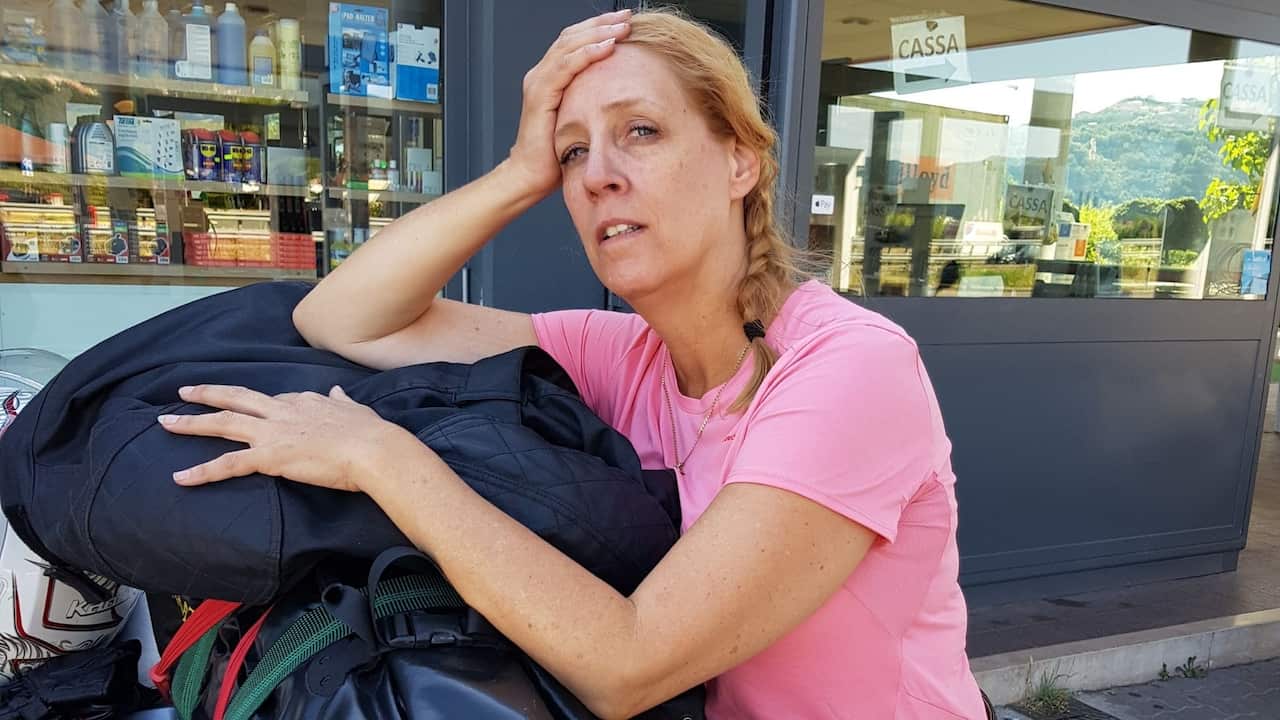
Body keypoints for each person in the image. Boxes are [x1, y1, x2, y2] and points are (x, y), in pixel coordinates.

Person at [157, 9, 989, 719]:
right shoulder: (619, 353)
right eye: (574, 153)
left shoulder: (850, 369)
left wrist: (378, 456)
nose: (600, 177)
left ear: (741, 160)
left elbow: (631, 662)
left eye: (641, 132)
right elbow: (341, 318)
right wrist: (520, 172)